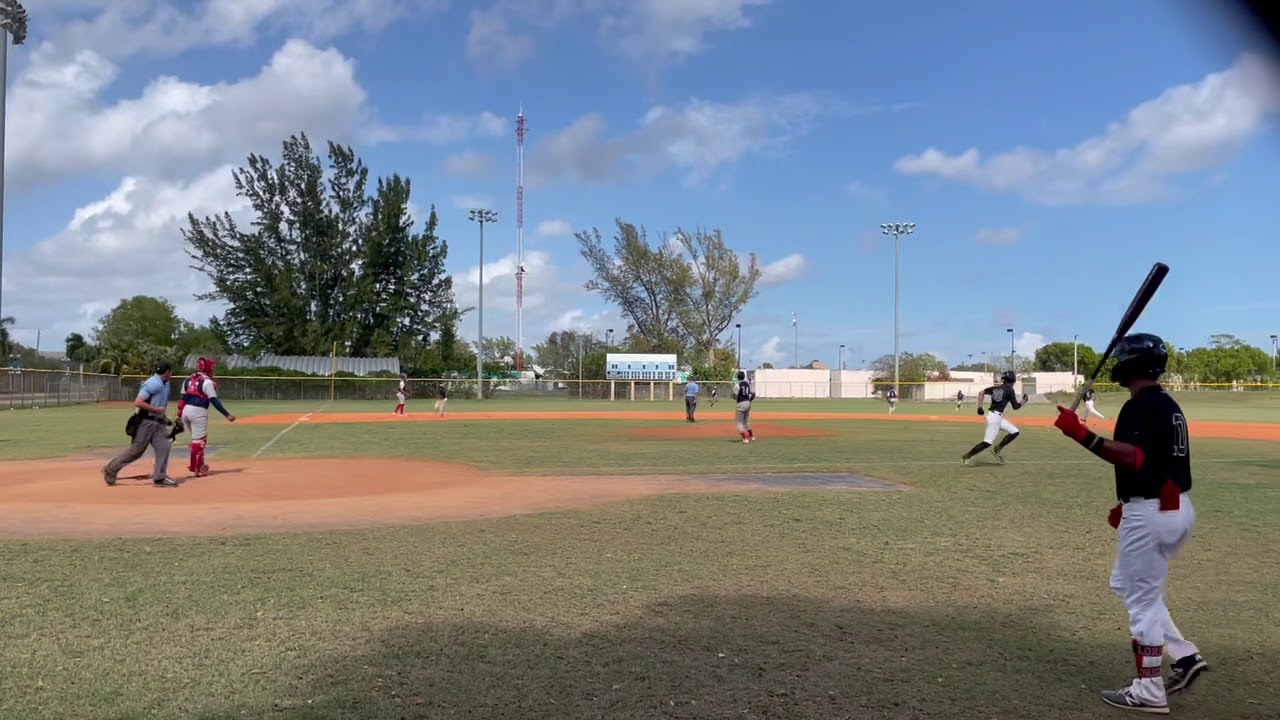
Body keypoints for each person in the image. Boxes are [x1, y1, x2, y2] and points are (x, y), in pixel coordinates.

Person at [1052, 333, 1207, 713]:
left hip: (1153, 511)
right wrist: (1129, 504)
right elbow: (1158, 463)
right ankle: (1184, 654)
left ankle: (1148, 690)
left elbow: (1134, 457)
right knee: (1126, 584)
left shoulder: (1139, 406)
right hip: (1170, 505)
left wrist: (1081, 435)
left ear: (1132, 365)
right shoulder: (1164, 403)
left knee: (1140, 599)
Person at [103, 360, 178, 487]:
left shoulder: (166, 383)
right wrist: (156, 410)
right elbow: (138, 402)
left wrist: (165, 418)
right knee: (136, 451)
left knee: (164, 446)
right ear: (167, 372)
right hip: (145, 422)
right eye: (171, 371)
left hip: (158, 423)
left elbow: (159, 403)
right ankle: (111, 469)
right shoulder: (152, 384)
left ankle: (160, 478)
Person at [176, 357, 236, 478]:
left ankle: (200, 465)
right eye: (212, 367)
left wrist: (179, 414)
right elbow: (213, 400)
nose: (213, 370)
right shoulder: (207, 382)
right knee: (199, 441)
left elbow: (182, 399)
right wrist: (227, 414)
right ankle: (196, 468)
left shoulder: (187, 380)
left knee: (196, 440)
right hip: (198, 411)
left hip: (186, 411)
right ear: (207, 368)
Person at [961, 370, 1027, 466]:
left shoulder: (996, 388)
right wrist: (1024, 401)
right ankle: (966, 456)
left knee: (1015, 432)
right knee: (987, 442)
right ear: (1012, 380)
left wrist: (980, 406)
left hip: (996, 417)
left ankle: (998, 449)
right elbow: (1016, 407)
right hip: (994, 418)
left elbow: (981, 393)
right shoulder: (1010, 389)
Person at [732, 370, 755, 443]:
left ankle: (745, 439)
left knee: (739, 422)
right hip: (748, 403)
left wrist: (733, 396)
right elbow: (752, 394)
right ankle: (752, 436)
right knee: (746, 420)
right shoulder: (747, 384)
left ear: (738, 377)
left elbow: (735, 395)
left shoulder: (737, 384)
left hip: (741, 403)